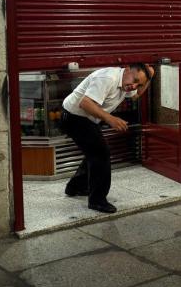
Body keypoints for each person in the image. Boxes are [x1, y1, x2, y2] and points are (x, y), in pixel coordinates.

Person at [60, 63, 154, 213]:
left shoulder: (126, 83)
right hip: (74, 117)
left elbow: (136, 95)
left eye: (139, 83)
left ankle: (75, 187)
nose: (134, 85)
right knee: (101, 154)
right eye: (135, 80)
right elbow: (85, 103)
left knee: (94, 152)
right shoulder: (107, 78)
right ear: (128, 69)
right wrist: (111, 119)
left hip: (88, 119)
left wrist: (149, 79)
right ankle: (97, 201)